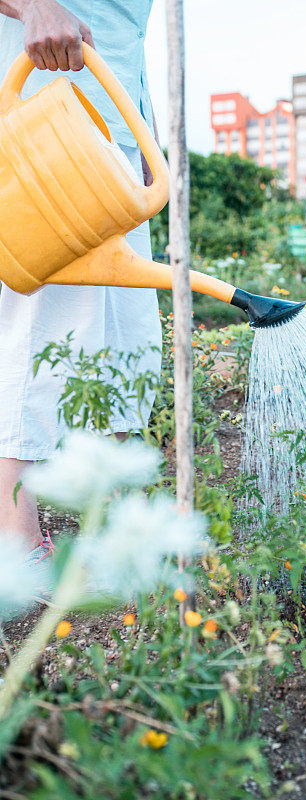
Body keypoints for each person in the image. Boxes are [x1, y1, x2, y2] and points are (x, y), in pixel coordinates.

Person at [0, 1, 162, 570]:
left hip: (109, 135)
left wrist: (144, 132)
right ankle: (15, 544)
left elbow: (125, 33)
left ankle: (123, 519)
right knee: (43, 336)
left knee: (129, 334)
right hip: (41, 130)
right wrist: (36, 5)